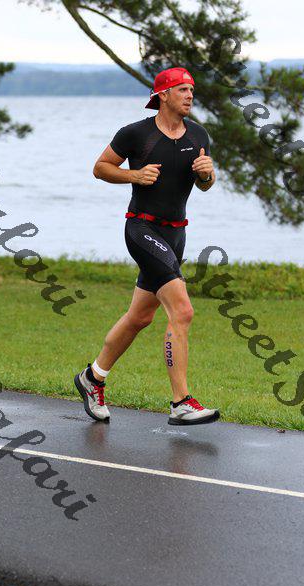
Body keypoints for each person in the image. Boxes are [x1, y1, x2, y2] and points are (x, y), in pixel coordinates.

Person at [74, 67, 220, 426]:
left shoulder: (198, 134)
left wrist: (206, 174)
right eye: (182, 89)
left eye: (192, 90)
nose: (189, 95)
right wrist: (134, 175)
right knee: (182, 311)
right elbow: (100, 167)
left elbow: (205, 184)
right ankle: (181, 402)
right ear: (163, 95)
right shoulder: (136, 134)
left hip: (176, 234)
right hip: (142, 229)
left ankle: (92, 378)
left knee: (140, 317)